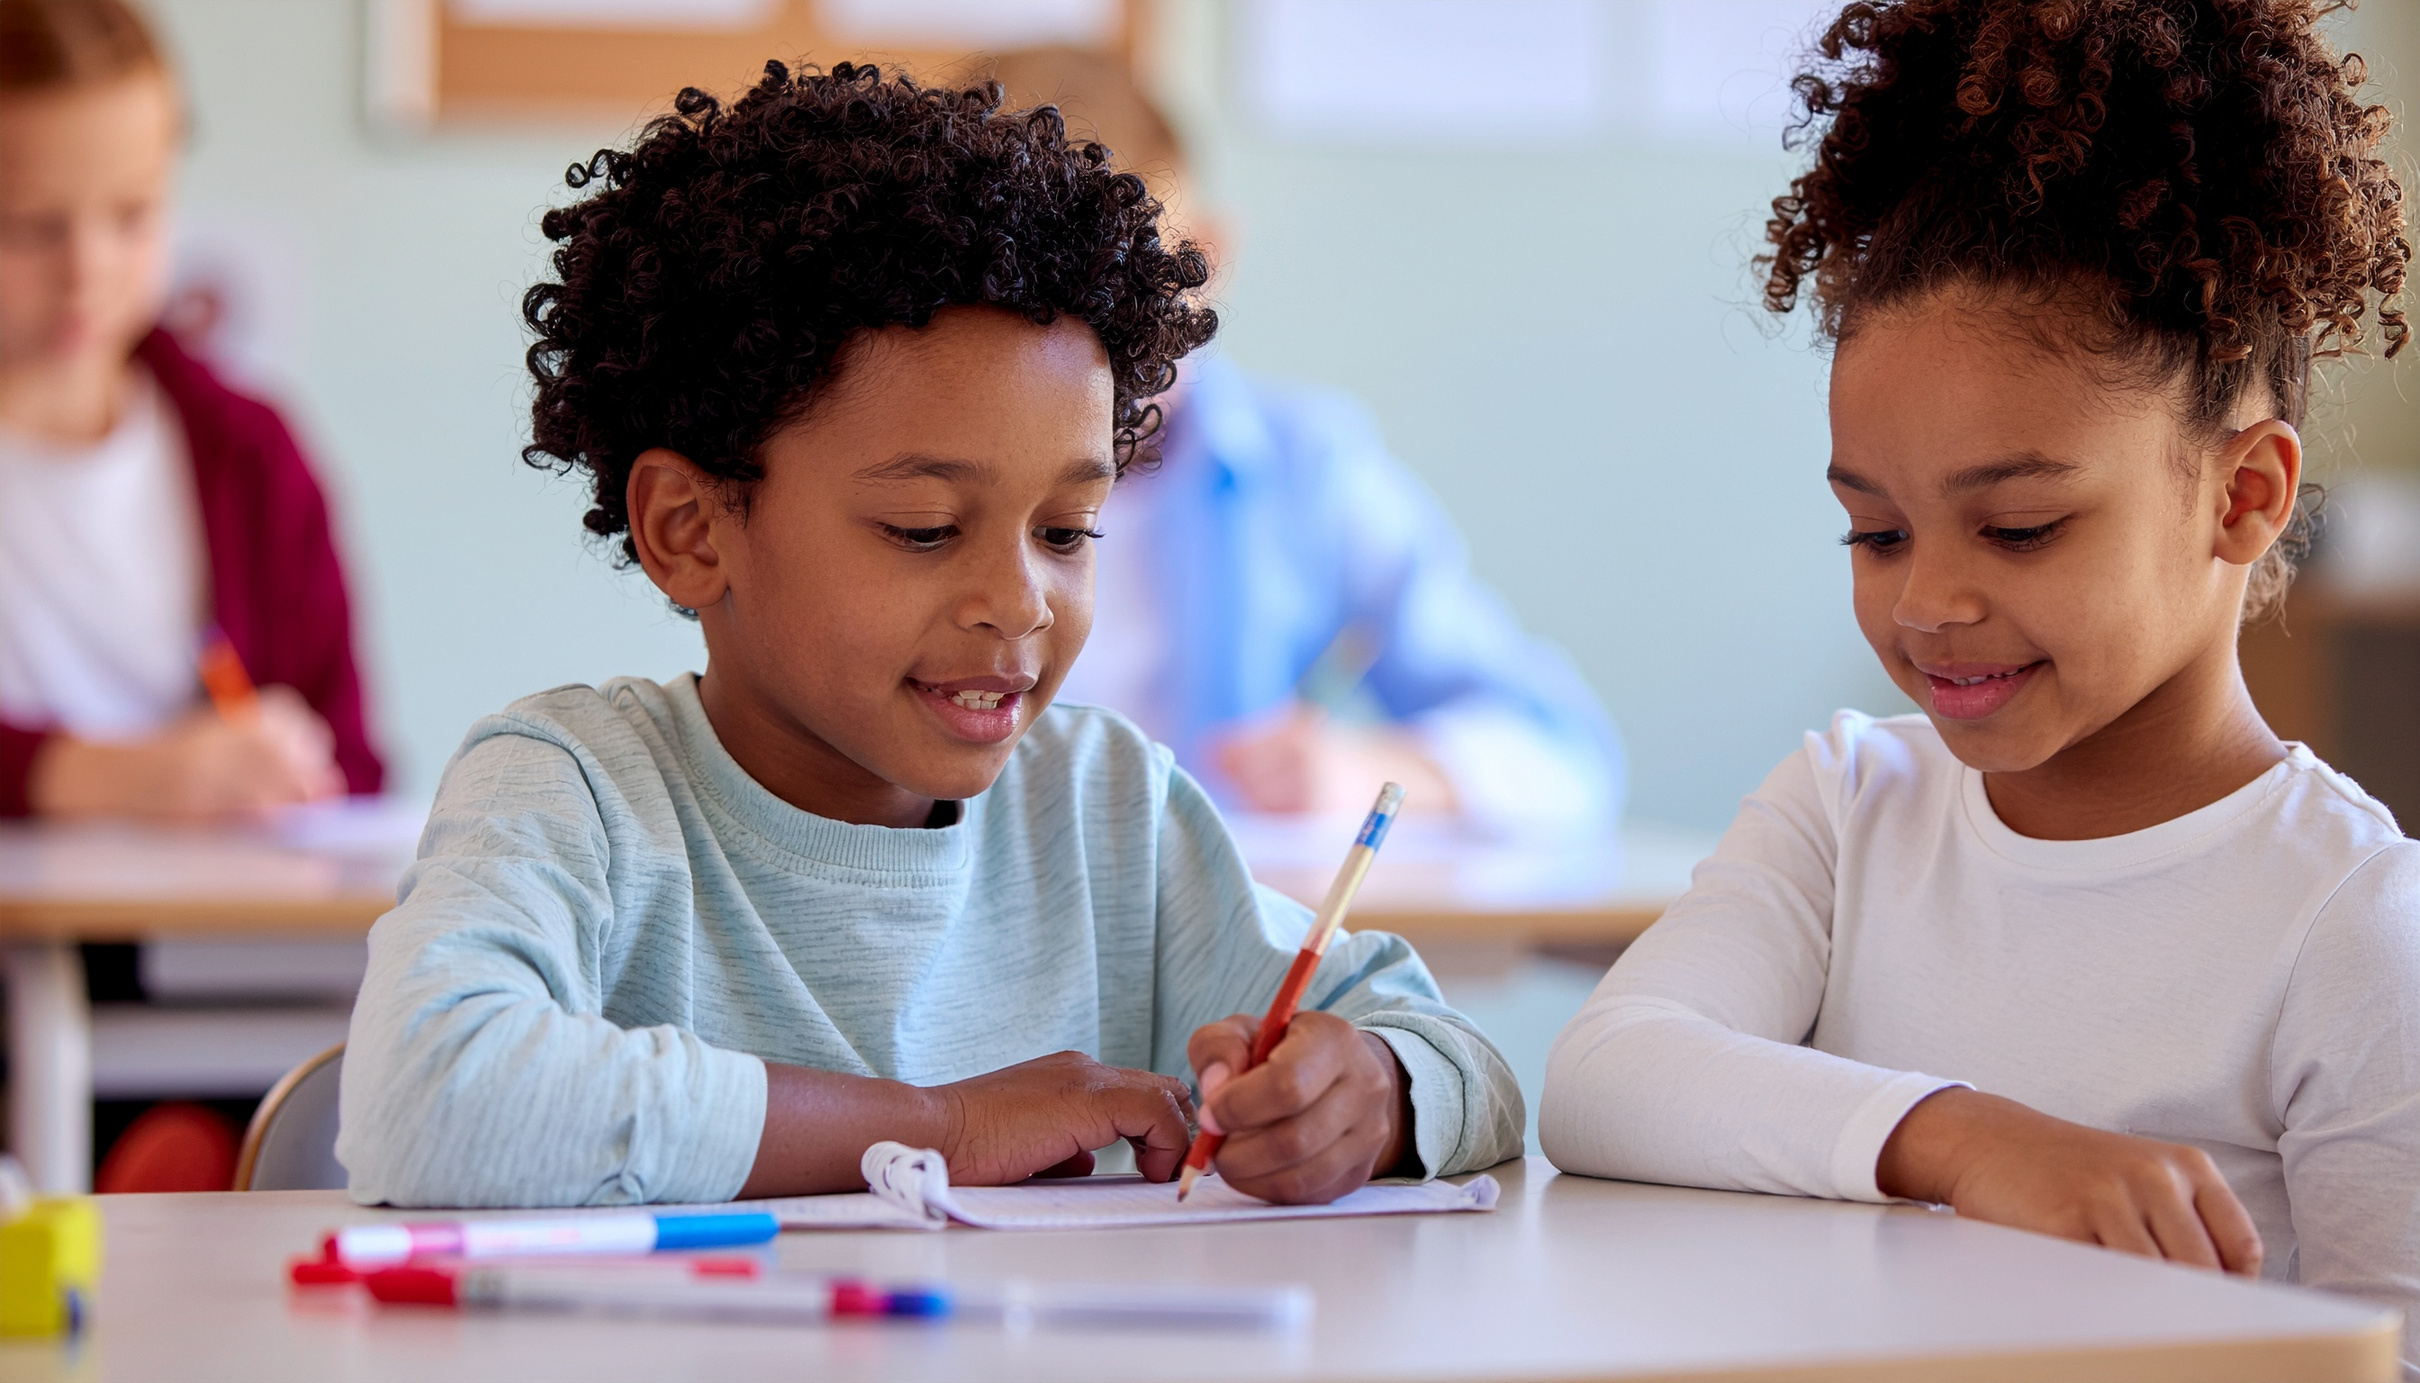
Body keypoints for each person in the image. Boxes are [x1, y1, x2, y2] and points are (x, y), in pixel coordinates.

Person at [338, 62, 1524, 1209]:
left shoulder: (1105, 813)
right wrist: (941, 1128)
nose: (1018, 603)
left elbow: (1467, 1065)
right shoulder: (576, 794)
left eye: (1067, 530)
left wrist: (1371, 1093)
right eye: (922, 527)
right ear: (691, 529)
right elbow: (429, 1095)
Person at [1539, 0, 2418, 1366]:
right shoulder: (1849, 805)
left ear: (2242, 495)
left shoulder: (2350, 919)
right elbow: (1605, 1076)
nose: (1927, 600)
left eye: (2017, 528)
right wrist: (1970, 1138)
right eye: (1875, 531)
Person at [987, 47, 1620, 834]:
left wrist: (1366, 771)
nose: (1081, 348)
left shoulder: (1303, 471)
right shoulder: (875, 474)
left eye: (1125, 287)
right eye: (1017, 300)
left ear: (1206, 259)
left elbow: (1561, 753)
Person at [0, 0, 380, 822]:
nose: (87, 268)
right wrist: (101, 776)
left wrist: (294, 770)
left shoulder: (251, 453)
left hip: (210, 943)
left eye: (132, 213)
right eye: (28, 226)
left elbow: (352, 759)